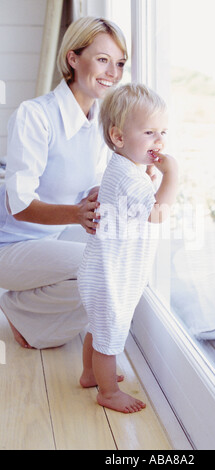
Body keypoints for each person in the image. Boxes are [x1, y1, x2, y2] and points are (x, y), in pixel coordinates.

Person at [0, 17, 128, 350]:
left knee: (120, 256)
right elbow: (20, 204)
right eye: (102, 60)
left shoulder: (99, 120)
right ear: (73, 58)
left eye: (119, 63)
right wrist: (76, 214)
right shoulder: (35, 116)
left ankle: (23, 310)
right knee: (98, 268)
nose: (112, 73)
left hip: (52, 236)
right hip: (7, 245)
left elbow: (89, 183)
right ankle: (21, 310)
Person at [78, 83, 179, 413]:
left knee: (98, 327)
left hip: (101, 270)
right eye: (149, 132)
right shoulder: (129, 177)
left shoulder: (124, 168)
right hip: (112, 277)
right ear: (119, 137)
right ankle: (107, 393)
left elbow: (133, 202)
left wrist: (150, 177)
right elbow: (156, 214)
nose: (159, 141)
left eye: (162, 131)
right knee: (109, 336)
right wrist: (171, 176)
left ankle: (90, 373)